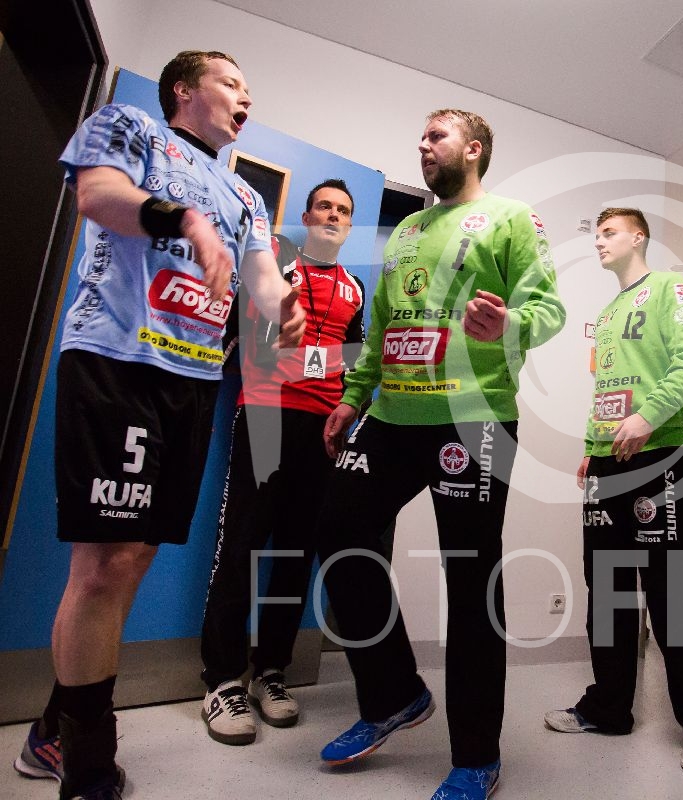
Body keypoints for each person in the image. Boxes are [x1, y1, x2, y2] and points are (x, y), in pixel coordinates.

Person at [12, 50, 304, 800]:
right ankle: (87, 764)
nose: (245, 96)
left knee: (132, 560)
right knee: (103, 565)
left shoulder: (245, 196)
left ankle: (52, 727)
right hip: (118, 361)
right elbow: (99, 195)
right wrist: (183, 219)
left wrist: (284, 306)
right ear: (185, 89)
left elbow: (260, 277)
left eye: (249, 88)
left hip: (193, 381)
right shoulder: (131, 127)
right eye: (231, 82)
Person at [313, 109, 565, 800]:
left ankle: (477, 754)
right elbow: (383, 323)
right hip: (392, 413)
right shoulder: (407, 231)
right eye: (420, 137)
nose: (423, 145)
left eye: (437, 136)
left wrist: (509, 321)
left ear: (474, 149)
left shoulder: (512, 218)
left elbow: (548, 309)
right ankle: (394, 694)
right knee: (337, 531)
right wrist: (353, 396)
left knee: (472, 579)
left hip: (474, 418)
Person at [544, 207, 683, 775]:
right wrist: (592, 447)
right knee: (608, 591)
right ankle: (609, 707)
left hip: (659, 457)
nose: (599, 241)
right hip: (608, 463)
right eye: (596, 233)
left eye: (610, 232)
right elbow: (608, 389)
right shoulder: (608, 311)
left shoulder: (672, 288)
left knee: (668, 595)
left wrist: (648, 417)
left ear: (638, 236)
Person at [198, 179, 365, 745]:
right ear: (307, 215)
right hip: (265, 416)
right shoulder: (271, 263)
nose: (333, 215)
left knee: (295, 555)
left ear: (349, 224)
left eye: (343, 210)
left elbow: (357, 357)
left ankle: (271, 670)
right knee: (241, 545)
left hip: (322, 431)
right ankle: (222, 679)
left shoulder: (354, 288)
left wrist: (346, 402)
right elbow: (229, 333)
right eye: (325, 206)